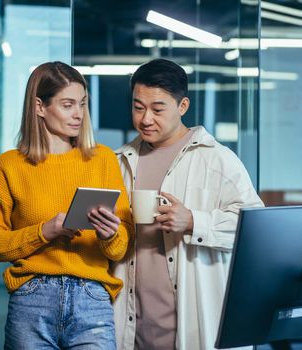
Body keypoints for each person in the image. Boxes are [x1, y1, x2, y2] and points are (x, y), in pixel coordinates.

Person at [0, 61, 133, 350]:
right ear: (39, 107)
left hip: (92, 300)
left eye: (82, 104)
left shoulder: (103, 160)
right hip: (31, 300)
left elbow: (121, 247)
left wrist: (110, 234)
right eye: (68, 104)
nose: (79, 114)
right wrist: (45, 231)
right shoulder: (9, 166)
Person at [112, 58, 264, 350]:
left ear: (183, 107)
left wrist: (195, 221)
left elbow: (256, 230)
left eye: (158, 109)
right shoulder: (119, 161)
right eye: (138, 107)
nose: (145, 119)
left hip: (194, 325)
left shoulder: (217, 159)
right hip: (132, 326)